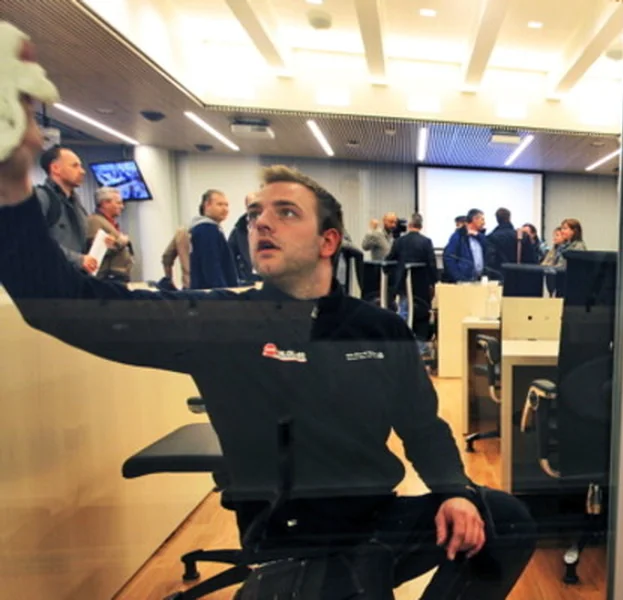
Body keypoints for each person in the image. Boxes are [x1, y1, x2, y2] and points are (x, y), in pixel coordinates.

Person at [0, 92, 536, 596]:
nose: (261, 224)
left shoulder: (379, 329)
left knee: (506, 519)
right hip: (288, 541)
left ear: (328, 241)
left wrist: (454, 492)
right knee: (349, 581)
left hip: (376, 524)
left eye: (286, 213)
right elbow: (59, 303)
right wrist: (12, 187)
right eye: (256, 214)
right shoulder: (222, 322)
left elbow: (422, 427)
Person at [31, 144, 95, 273]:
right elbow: (34, 241)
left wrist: (99, 243)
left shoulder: (76, 203)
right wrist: (77, 259)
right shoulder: (41, 198)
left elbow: (78, 244)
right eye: (75, 166)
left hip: (74, 278)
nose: (82, 171)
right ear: (55, 168)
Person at [386, 213, 438, 340]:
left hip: (403, 281)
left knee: (404, 309)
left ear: (409, 225)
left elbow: (390, 259)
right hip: (421, 283)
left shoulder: (399, 241)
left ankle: (401, 337)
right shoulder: (426, 242)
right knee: (421, 311)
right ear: (421, 226)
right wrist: (434, 282)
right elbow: (431, 264)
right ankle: (420, 339)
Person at [189, 189, 238, 290]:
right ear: (207, 205)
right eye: (220, 204)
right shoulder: (206, 230)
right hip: (213, 293)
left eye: (226, 205)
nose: (225, 209)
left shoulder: (210, 229)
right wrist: (223, 293)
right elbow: (211, 266)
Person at [85, 187, 134, 282]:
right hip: (107, 277)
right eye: (118, 203)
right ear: (105, 203)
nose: (122, 207)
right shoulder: (94, 221)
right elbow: (96, 252)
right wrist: (121, 242)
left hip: (118, 276)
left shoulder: (108, 222)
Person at [485, 207, 537, 276]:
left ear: (497, 219)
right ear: (509, 218)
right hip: (520, 276)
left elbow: (490, 261)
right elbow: (532, 260)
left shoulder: (491, 237)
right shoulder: (523, 236)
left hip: (500, 276)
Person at [444, 208, 487, 282]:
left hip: (480, 279)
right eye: (482, 219)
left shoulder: (481, 236)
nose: (484, 223)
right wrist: (458, 278)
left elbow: (488, 246)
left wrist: (478, 235)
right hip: (464, 280)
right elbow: (449, 258)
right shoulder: (459, 236)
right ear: (475, 219)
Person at [228, 192, 257, 285]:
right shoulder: (238, 231)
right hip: (247, 280)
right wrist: (238, 275)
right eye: (252, 205)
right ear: (246, 206)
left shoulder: (271, 227)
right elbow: (230, 256)